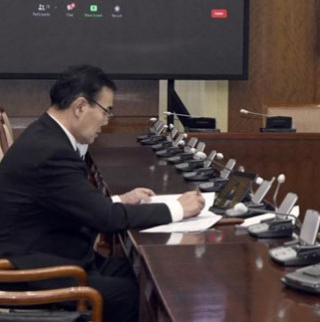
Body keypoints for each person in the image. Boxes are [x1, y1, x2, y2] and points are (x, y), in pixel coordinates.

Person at [0, 64, 205, 322]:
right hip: (33, 269)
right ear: (80, 106)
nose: (107, 121)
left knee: (141, 273)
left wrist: (118, 201)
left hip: (55, 251)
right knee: (135, 297)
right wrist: (178, 208)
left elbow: (74, 202)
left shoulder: (47, 135)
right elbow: (106, 218)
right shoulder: (51, 151)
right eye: (106, 111)